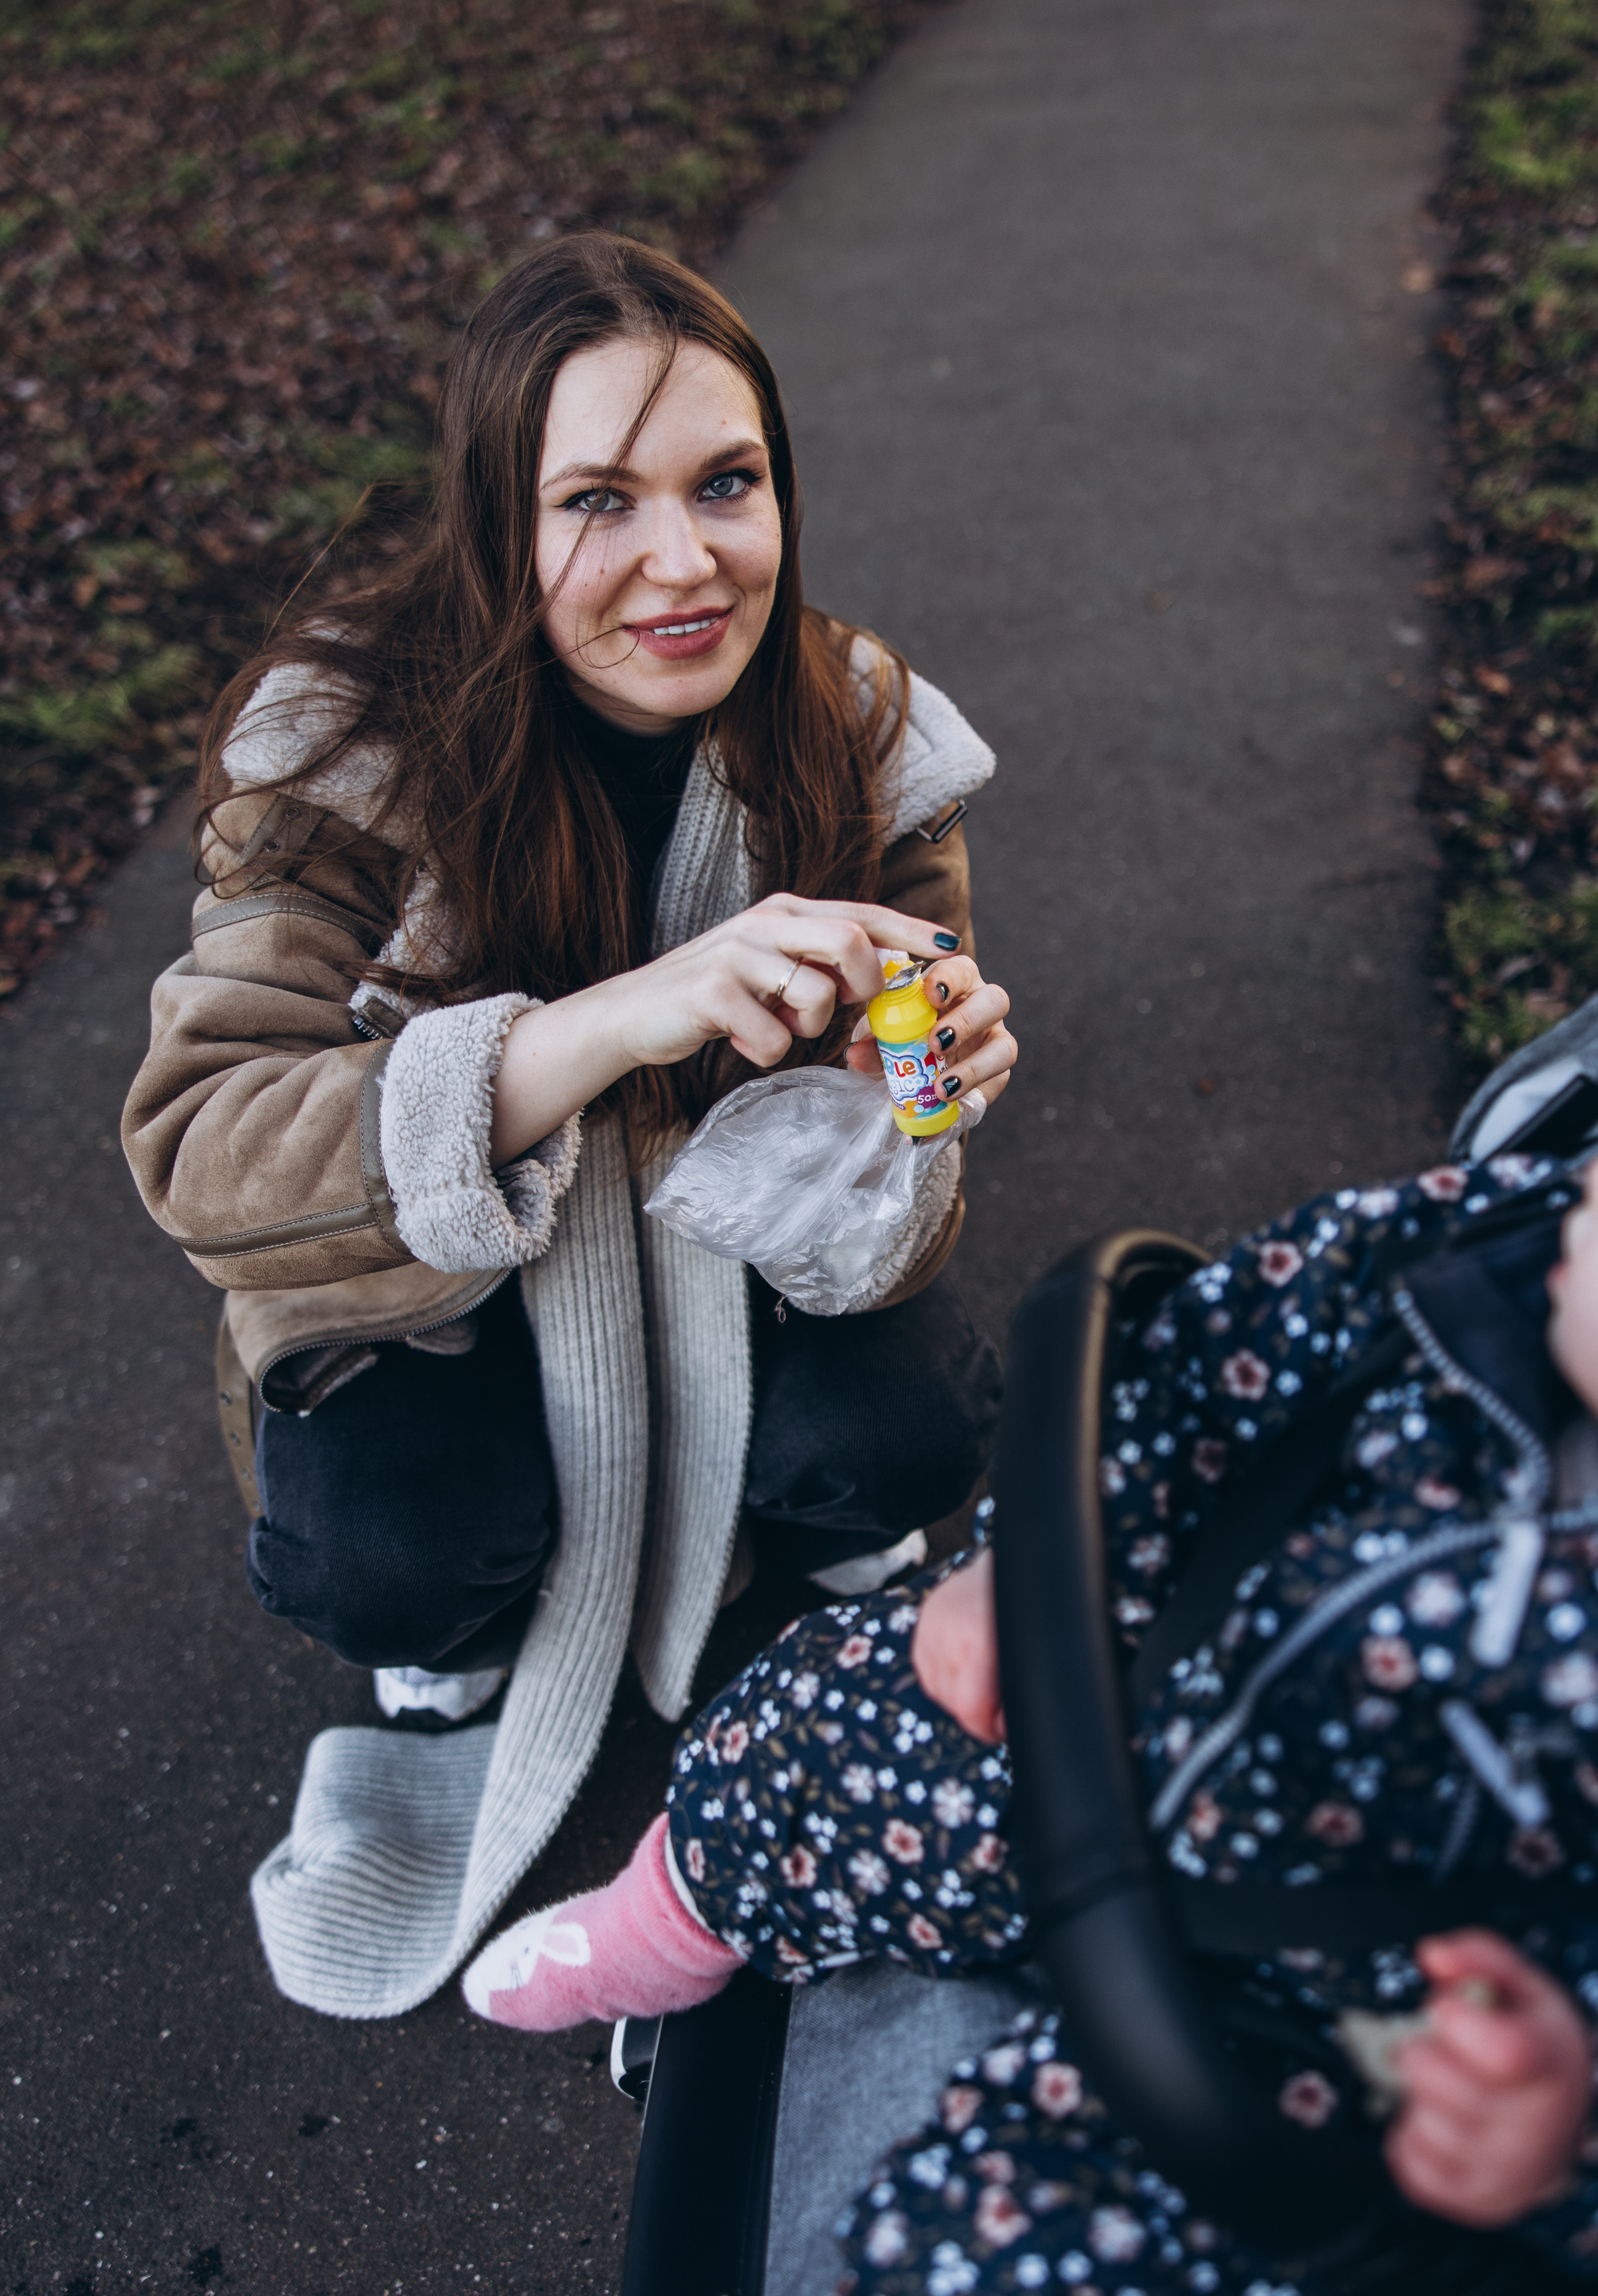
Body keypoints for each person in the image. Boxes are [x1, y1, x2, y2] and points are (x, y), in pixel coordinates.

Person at [460, 1000, 1598, 2293]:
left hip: (1355, 2022)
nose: (1590, 1182)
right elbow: (1203, 1353)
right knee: (802, 1721)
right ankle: (668, 1923)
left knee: (1009, 2243)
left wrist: (1588, 2105)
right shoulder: (1478, 1258)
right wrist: (1043, 1542)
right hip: (1142, 1691)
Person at [120, 233, 1018, 2021]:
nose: (685, 562)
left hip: (717, 1256)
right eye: (598, 499)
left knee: (917, 1429)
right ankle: (464, 1625)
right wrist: (618, 1019)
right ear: (493, 526)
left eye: (729, 483)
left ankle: (788, 1497)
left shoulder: (857, 734)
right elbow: (205, 1151)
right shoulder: (341, 761)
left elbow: (906, 1203)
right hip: (429, 1301)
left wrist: (889, 1122)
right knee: (393, 1553)